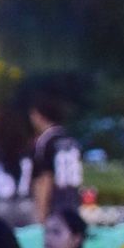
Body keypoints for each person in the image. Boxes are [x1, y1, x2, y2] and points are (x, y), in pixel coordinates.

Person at [30, 95, 85, 223]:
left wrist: (41, 211)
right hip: (73, 194)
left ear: (40, 115)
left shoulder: (45, 140)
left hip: (55, 198)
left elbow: (45, 177)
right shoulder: (69, 137)